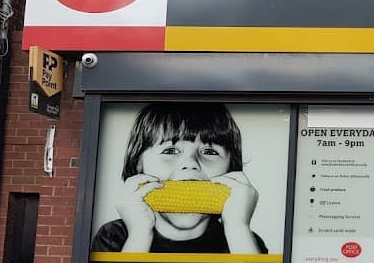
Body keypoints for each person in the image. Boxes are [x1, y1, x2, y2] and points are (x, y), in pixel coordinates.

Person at [91, 102, 267, 254]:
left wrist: (238, 227)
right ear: (138, 166)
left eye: (209, 151)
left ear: (231, 170)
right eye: (170, 151)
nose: (190, 163)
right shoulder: (114, 236)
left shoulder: (242, 240)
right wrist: (139, 234)